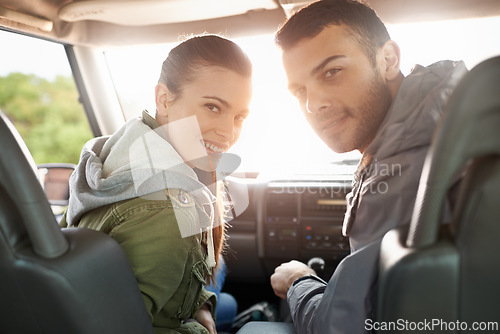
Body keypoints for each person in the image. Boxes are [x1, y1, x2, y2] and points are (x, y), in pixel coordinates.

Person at [267, 0, 468, 333]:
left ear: (388, 59)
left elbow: (342, 327)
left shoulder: (412, 164)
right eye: (299, 90)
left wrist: (298, 281)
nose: (313, 104)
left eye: (332, 72)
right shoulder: (449, 125)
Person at [60, 34, 253, 334]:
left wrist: (200, 303)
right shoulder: (168, 211)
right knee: (226, 298)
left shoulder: (112, 154)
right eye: (213, 107)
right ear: (164, 98)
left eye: (239, 116)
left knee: (219, 289)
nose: (229, 132)